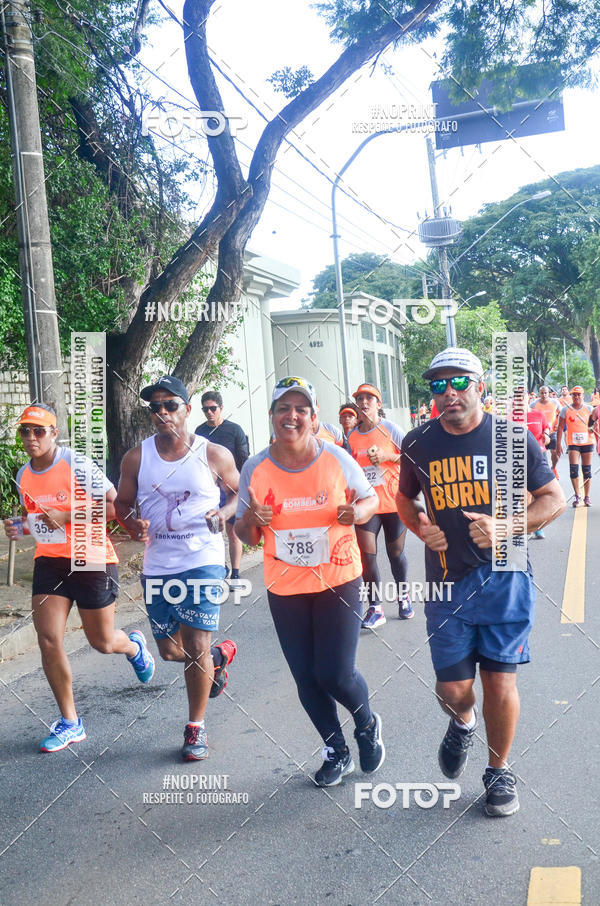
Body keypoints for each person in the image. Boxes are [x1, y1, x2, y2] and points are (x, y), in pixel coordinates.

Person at [397, 347, 565, 817]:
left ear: (480, 386)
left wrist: (507, 526)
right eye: (437, 385)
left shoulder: (512, 439)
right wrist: (419, 528)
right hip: (447, 582)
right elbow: (404, 499)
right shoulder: (418, 442)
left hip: (504, 576)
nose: (448, 393)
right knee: (452, 690)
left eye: (458, 383)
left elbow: (553, 498)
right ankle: (463, 722)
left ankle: (498, 770)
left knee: (499, 680)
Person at [235, 376, 384, 787]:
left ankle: (367, 725)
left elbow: (370, 497)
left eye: (301, 409)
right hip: (286, 586)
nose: (292, 416)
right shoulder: (256, 467)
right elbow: (244, 535)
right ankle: (336, 749)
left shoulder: (336, 458)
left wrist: (358, 512)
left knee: (335, 673)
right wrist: (250, 520)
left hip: (339, 578)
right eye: (284, 408)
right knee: (305, 676)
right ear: (272, 417)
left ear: (314, 418)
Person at [3, 404, 155, 753]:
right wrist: (21, 527)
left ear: (54, 433)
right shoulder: (24, 474)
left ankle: (133, 646)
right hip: (50, 563)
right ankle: (71, 722)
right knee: (48, 639)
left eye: (38, 431)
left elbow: (118, 505)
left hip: (92, 560)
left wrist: (68, 513)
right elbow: (40, 520)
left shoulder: (76, 464)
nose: (30, 438)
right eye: (25, 431)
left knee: (101, 642)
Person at [115, 376, 239, 760]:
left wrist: (224, 511)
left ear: (187, 409)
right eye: (156, 407)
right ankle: (216, 660)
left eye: (171, 405)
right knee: (171, 651)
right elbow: (122, 503)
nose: (163, 412)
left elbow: (240, 494)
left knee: (196, 642)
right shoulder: (137, 457)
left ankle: (195, 728)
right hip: (157, 565)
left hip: (202, 561)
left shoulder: (212, 453)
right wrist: (130, 523)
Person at [347, 383, 412, 628]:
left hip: (393, 502)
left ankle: (404, 597)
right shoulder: (352, 437)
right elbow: (348, 468)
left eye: (369, 399)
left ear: (378, 404)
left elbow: (412, 456)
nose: (364, 402)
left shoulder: (390, 429)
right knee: (367, 555)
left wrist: (387, 457)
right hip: (367, 505)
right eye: (360, 399)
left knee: (395, 554)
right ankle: (375, 607)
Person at [195, 390, 249, 589]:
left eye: (212, 408)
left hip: (232, 488)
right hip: (209, 490)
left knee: (233, 531)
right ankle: (220, 567)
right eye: (205, 409)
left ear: (221, 408)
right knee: (212, 530)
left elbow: (244, 459)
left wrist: (240, 485)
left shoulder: (234, 430)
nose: (209, 412)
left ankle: (235, 574)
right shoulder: (199, 432)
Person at [556, 386, 594, 506]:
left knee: (587, 471)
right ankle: (577, 495)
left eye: (579, 394)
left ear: (583, 396)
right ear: (571, 396)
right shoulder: (565, 410)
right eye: (574, 395)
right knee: (574, 470)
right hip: (573, 443)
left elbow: (595, 424)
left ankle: (587, 497)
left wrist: (592, 428)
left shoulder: (589, 408)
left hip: (587, 442)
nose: (576, 397)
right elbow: (560, 427)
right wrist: (558, 444)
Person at [530, 386, 561, 473]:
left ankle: (553, 467)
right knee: (541, 454)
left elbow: (562, 414)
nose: (544, 395)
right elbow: (528, 414)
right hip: (540, 433)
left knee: (554, 452)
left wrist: (558, 423)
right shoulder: (534, 404)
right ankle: (546, 471)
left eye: (545, 393)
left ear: (549, 393)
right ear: (539, 394)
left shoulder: (555, 402)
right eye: (542, 393)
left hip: (552, 431)